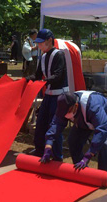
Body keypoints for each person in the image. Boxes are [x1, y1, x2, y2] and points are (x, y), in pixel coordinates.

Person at [39, 92, 107, 172]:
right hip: (85, 119)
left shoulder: (93, 106)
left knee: (104, 144)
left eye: (68, 111)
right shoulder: (63, 107)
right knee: (73, 141)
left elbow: (102, 130)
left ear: (76, 105)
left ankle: (102, 176)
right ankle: (82, 172)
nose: (66, 114)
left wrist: (88, 156)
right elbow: (56, 125)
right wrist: (48, 147)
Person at [26, 29, 68, 161]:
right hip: (49, 95)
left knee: (54, 126)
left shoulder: (59, 55)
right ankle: (40, 151)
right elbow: (38, 75)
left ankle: (57, 156)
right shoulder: (43, 57)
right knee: (41, 123)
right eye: (37, 43)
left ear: (49, 41)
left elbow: (58, 75)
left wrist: (44, 81)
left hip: (59, 96)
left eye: (41, 43)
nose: (38, 46)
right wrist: (27, 79)